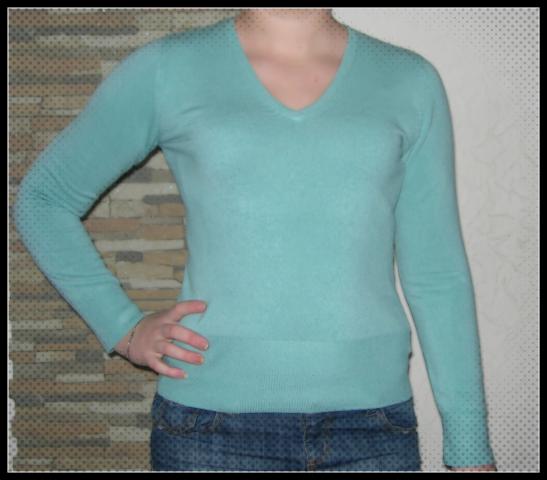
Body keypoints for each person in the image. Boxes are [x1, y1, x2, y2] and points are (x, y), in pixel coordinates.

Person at [13, 8, 497, 472]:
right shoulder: (169, 68)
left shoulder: (409, 80)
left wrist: (469, 442)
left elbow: (436, 273)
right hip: (210, 433)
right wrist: (124, 328)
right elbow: (44, 199)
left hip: (374, 430)